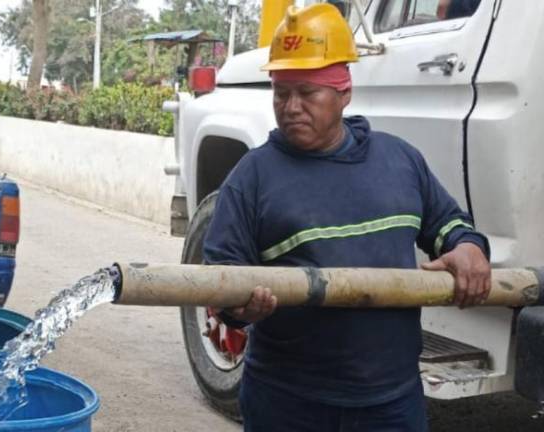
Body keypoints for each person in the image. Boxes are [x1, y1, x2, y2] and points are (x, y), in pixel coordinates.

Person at [203, 4, 491, 431]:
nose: (291, 107)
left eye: (307, 92)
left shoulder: (399, 160)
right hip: (288, 401)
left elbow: (449, 225)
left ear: (344, 90)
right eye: (281, 93)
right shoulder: (253, 176)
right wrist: (237, 309)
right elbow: (222, 277)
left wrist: (467, 247)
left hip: (392, 402)